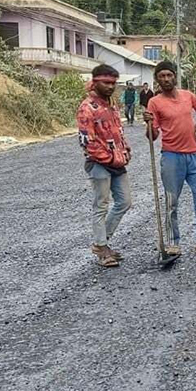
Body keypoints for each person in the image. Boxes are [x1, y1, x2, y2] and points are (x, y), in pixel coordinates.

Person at [144, 60, 196, 256]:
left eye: (169, 75)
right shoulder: (154, 102)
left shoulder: (188, 96)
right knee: (171, 201)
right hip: (171, 157)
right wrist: (149, 124)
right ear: (157, 80)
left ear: (175, 76)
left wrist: (193, 129)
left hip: (194, 155)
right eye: (162, 77)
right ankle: (173, 243)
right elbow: (153, 136)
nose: (166, 79)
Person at [77, 64, 133, 268]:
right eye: (106, 83)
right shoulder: (87, 108)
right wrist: (109, 158)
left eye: (113, 83)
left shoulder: (112, 105)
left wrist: (125, 151)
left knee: (124, 202)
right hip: (99, 164)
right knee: (101, 205)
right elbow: (87, 141)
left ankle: (102, 242)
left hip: (118, 162)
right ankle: (101, 247)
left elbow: (119, 132)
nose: (110, 87)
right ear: (95, 82)